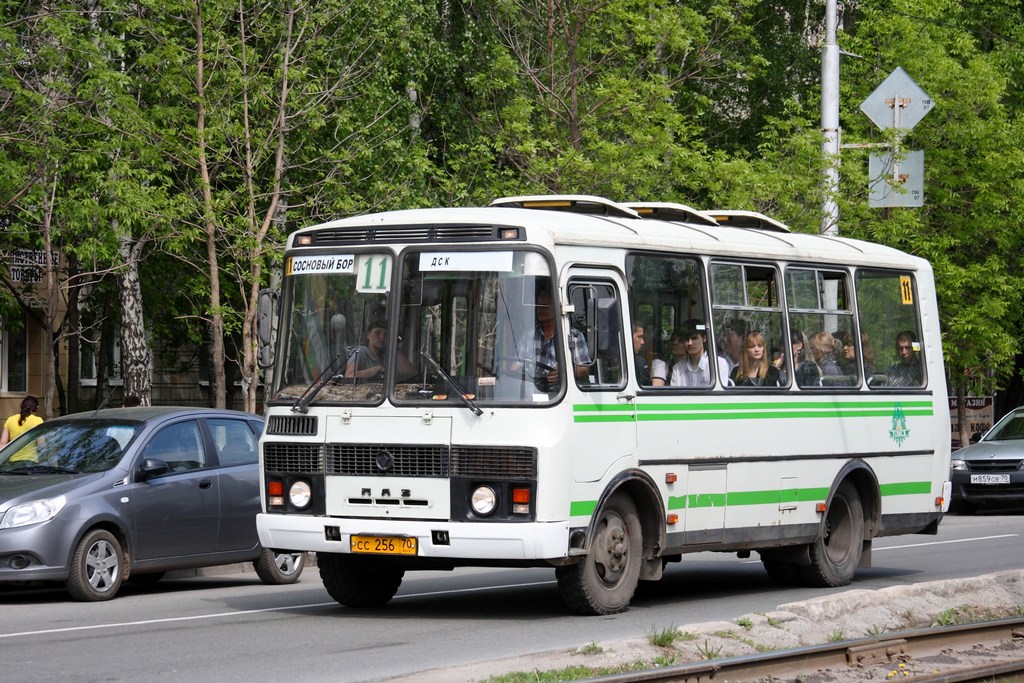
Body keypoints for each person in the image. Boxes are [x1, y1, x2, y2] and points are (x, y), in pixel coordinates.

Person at [518, 289, 591, 390]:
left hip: (562, 393)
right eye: (538, 306)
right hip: (532, 391)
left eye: (545, 306)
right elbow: (518, 364)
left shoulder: (573, 335)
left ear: (557, 308)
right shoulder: (528, 337)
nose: (540, 310)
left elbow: (584, 369)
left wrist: (564, 373)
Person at [344, 319, 415, 380]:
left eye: (386, 334)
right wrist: (376, 370)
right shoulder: (362, 352)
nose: (382, 336)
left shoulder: (388, 357)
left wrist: (395, 347)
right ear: (368, 335)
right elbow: (349, 375)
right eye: (377, 332)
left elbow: (413, 377)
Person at [668, 319, 730, 387]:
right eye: (686, 339)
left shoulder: (718, 364)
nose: (690, 343)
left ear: (704, 338)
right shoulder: (677, 368)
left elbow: (719, 396)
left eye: (694, 338)